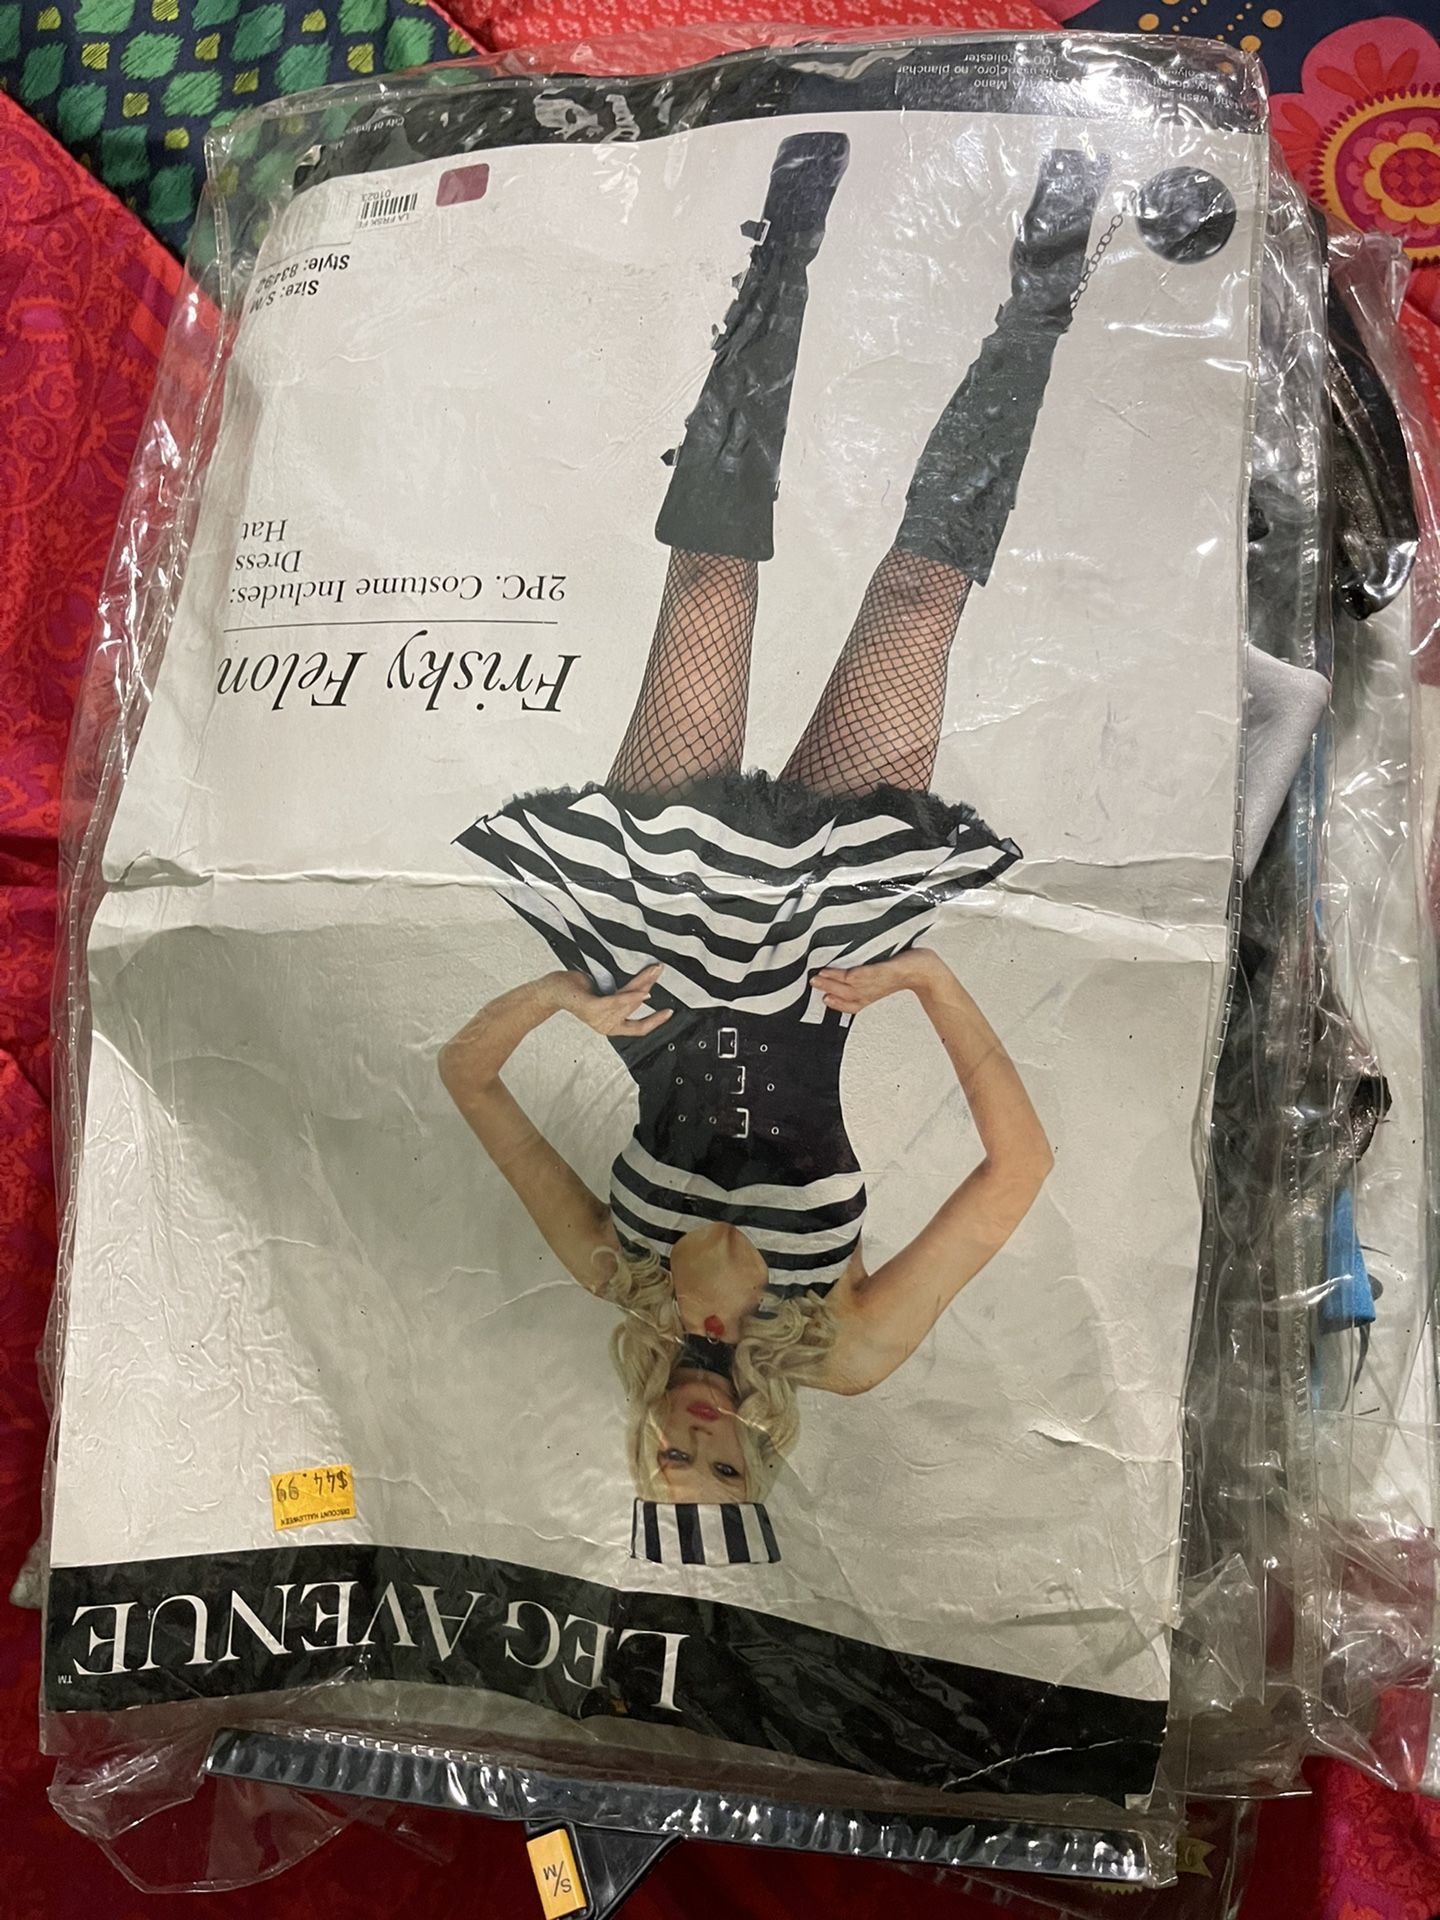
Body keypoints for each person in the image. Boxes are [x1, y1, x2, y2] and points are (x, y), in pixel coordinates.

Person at [442, 133, 1104, 1561]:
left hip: (661, 918)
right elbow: (1017, 1172)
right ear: (765, 1463)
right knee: (921, 598)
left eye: (672, 1462)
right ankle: (1046, 291)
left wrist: (562, 996)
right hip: (822, 951)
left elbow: (467, 1076)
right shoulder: (846, 1348)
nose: (701, 1435)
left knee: (708, 582)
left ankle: (785, 246)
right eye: (726, 1471)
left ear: (642, 1440)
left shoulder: (611, 1275)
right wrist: (927, 982)